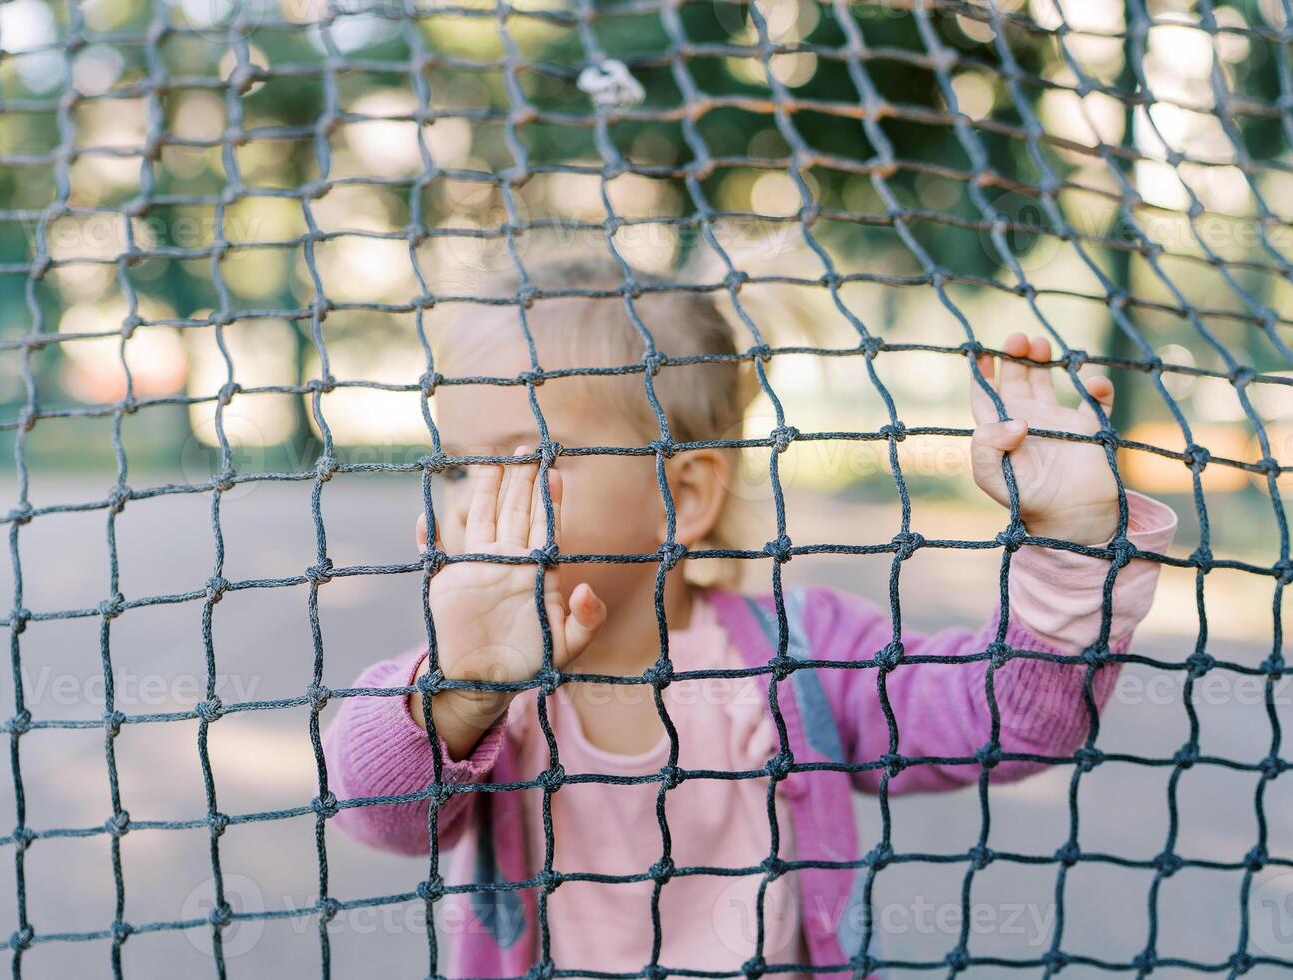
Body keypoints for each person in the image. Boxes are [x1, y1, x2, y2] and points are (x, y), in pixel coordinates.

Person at [325, 259, 1177, 977]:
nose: (476, 506)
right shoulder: (479, 687)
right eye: (456, 466)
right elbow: (380, 816)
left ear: (681, 493)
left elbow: (1010, 722)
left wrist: (1072, 546)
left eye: (522, 460)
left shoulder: (802, 658)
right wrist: (462, 692)